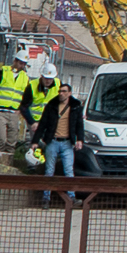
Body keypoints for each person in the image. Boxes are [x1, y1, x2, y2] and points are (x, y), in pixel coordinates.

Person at [29, 72, 89, 207]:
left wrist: (80, 139)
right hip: (53, 141)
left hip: (67, 142)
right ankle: (46, 198)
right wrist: (35, 141)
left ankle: (71, 198)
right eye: (60, 91)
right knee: (49, 171)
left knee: (69, 171)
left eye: (64, 91)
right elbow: (43, 124)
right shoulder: (52, 106)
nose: (61, 93)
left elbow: (79, 124)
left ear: (69, 93)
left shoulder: (75, 107)